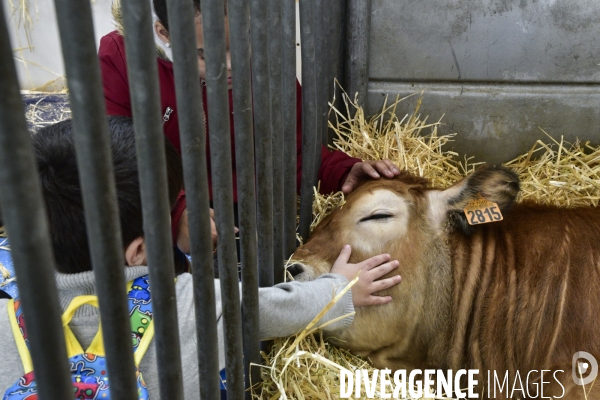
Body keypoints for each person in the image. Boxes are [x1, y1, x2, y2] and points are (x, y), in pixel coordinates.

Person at [0, 117, 401, 398]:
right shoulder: (192, 301)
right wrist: (341, 289)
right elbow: (284, 308)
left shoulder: (6, 320)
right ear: (139, 251)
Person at [98, 0, 401, 254]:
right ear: (163, 33)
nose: (231, 66)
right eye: (206, 54)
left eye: (241, 45)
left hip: (246, 217)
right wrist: (176, 214)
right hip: (159, 207)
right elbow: (119, 162)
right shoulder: (122, 59)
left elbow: (288, 155)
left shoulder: (269, 65)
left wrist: (343, 171)